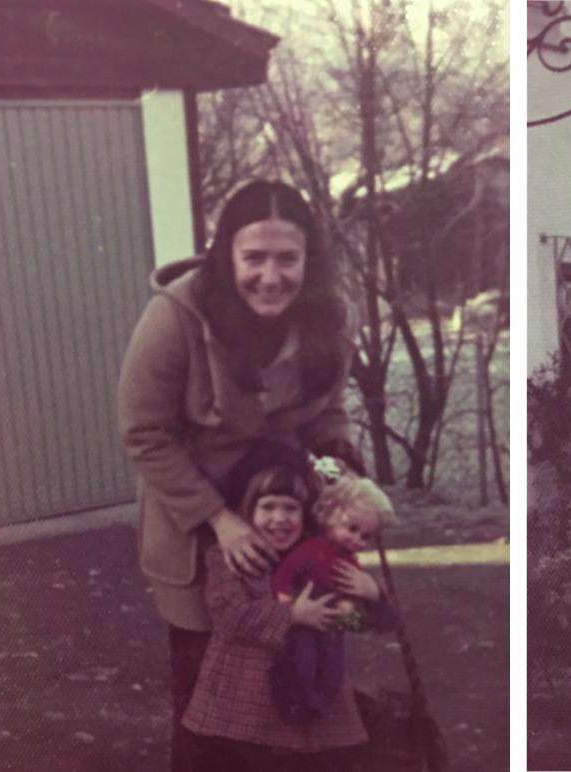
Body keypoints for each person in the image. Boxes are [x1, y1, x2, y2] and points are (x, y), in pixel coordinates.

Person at [118, 180, 364, 772]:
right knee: (210, 702)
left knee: (286, 686)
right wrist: (221, 520)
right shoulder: (176, 315)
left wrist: (341, 481)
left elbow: (327, 411)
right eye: (254, 258)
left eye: (288, 258)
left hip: (285, 522)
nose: (271, 276)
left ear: (310, 258)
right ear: (227, 255)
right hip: (197, 527)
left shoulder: (331, 316)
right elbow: (143, 432)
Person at [182, 465, 394, 771]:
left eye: (291, 509)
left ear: (306, 515)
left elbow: (351, 623)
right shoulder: (228, 557)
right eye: (267, 507)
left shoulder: (322, 560)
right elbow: (229, 615)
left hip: (312, 694)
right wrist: (292, 615)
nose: (279, 518)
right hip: (242, 696)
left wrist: (372, 596)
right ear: (248, 510)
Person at [269, 471, 398, 725]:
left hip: (335, 622)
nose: (356, 540)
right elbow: (285, 574)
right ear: (330, 517)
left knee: (333, 667)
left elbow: (379, 619)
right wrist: (286, 603)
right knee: (304, 658)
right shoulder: (311, 550)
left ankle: (323, 706)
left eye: (364, 537)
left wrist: (360, 600)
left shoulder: (351, 563)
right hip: (305, 615)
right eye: (352, 529)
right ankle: (304, 699)